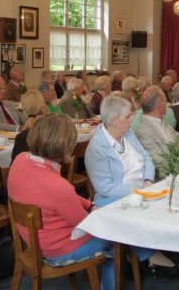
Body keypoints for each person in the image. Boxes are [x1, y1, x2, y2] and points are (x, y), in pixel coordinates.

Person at [8, 114, 116, 290]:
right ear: (65, 145)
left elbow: (61, 198)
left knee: (107, 207)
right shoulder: (57, 186)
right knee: (118, 236)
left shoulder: (21, 160)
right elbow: (86, 224)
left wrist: (90, 205)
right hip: (57, 250)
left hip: (32, 240)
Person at [86, 96, 155, 205]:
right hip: (116, 201)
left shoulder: (128, 134)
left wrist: (148, 180)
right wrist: (138, 190)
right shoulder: (97, 147)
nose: (132, 119)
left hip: (143, 192)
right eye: (127, 116)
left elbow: (146, 158)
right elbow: (105, 188)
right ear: (114, 120)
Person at [11, 89, 47, 162]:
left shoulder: (23, 136)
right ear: (43, 107)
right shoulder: (52, 130)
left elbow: (15, 166)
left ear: (25, 109)